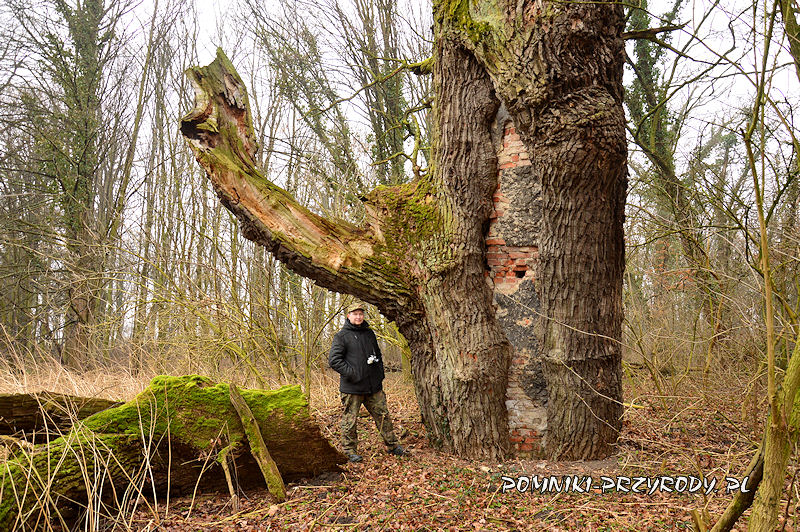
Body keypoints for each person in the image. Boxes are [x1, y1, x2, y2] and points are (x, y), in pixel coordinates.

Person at [328, 302, 408, 462]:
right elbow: (334, 360)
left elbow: (377, 354)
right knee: (350, 421)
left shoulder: (369, 333)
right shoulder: (341, 336)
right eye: (355, 314)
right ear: (348, 316)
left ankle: (392, 446)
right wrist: (353, 374)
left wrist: (379, 375)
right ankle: (350, 451)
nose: (358, 317)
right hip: (352, 388)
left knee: (383, 416)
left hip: (373, 387)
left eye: (360, 314)